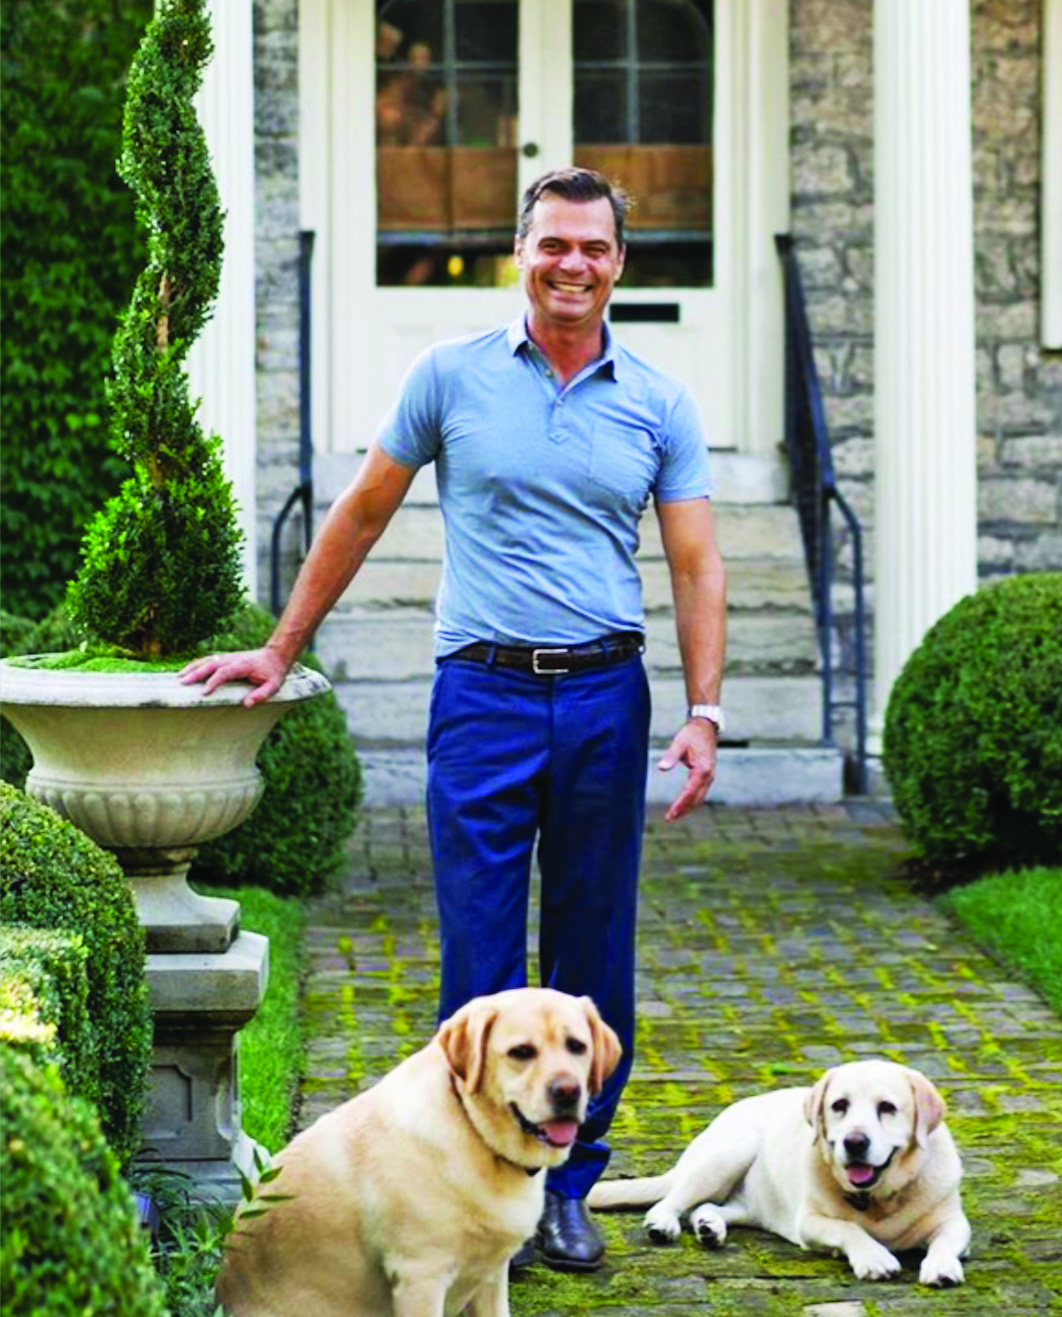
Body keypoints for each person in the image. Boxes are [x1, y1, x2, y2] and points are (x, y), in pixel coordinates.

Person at [181, 166, 727, 1274]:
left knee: (592, 948)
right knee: (479, 960)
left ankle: (568, 1185)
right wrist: (280, 648)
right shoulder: (449, 376)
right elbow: (364, 510)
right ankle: (471, 1183)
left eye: (594, 247)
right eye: (552, 245)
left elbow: (693, 557)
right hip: (479, 694)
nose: (572, 264)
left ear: (620, 262)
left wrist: (704, 709)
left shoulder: (660, 402)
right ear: (517, 253)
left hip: (604, 697)